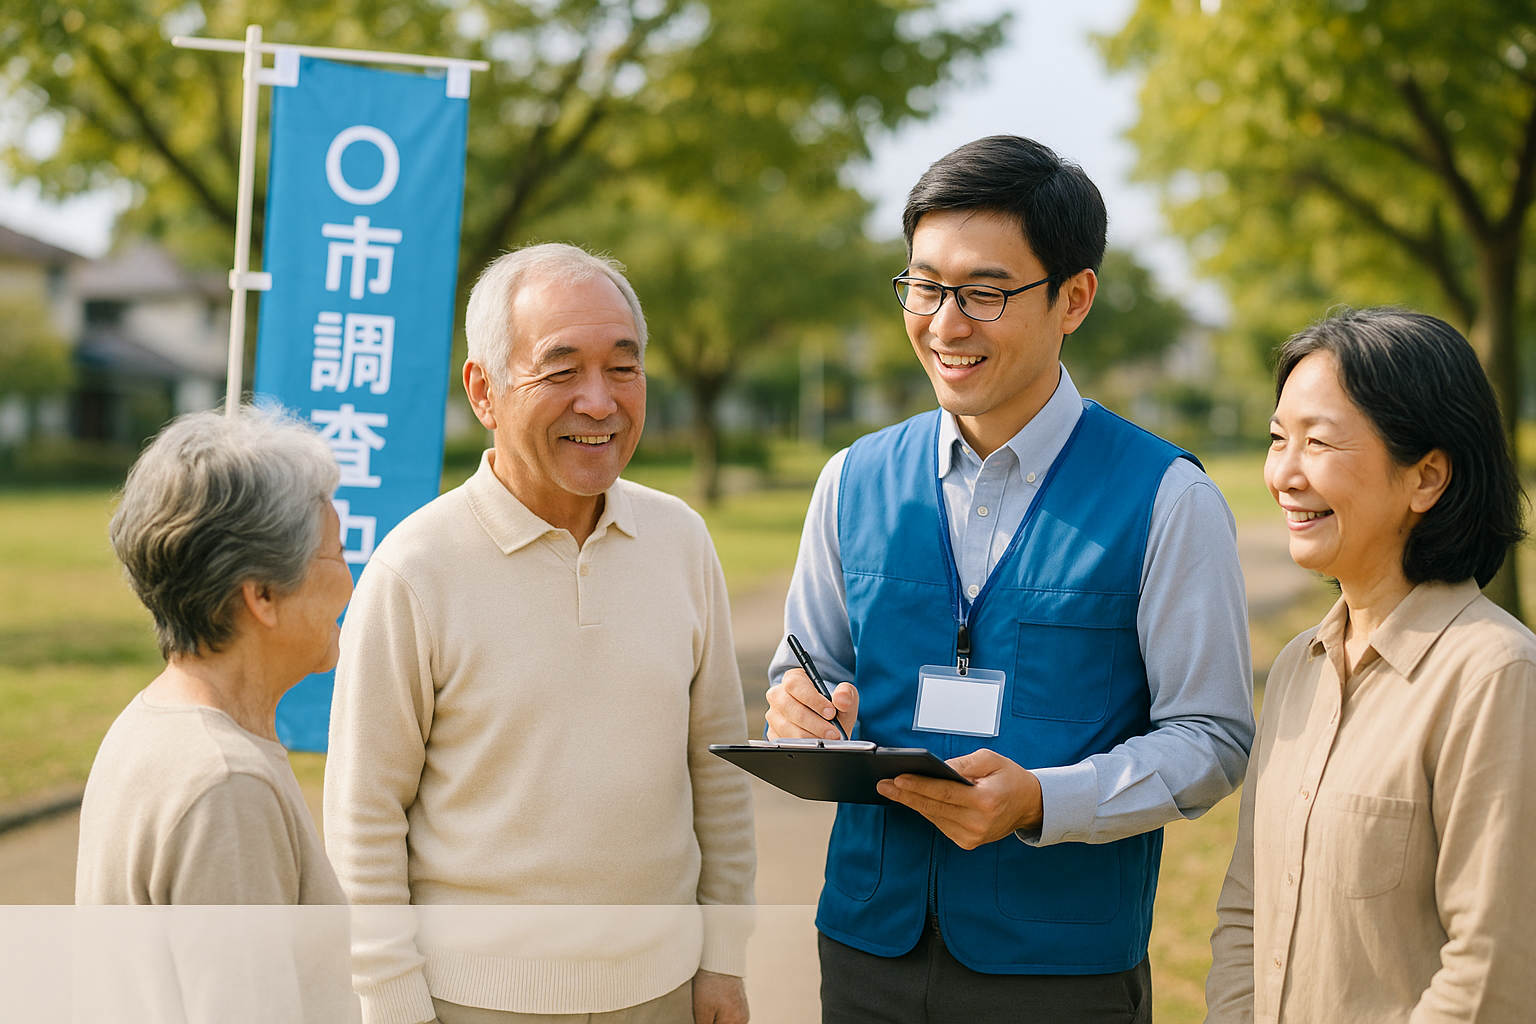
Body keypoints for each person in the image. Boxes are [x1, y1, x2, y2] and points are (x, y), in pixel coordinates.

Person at [765, 135, 1256, 1023]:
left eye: (986, 292)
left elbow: (1212, 736)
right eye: (924, 285)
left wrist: (1046, 799)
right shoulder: (850, 479)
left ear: (1075, 298)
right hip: (868, 947)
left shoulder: (1168, 498)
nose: (946, 323)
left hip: (1061, 970)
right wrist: (802, 703)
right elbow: (806, 664)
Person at [324, 243, 756, 1024]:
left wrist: (723, 960)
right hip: (471, 1004)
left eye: (623, 367)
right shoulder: (414, 569)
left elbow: (718, 770)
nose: (599, 402)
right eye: (561, 370)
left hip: (664, 993)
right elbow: (364, 815)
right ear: (484, 390)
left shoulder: (682, 541)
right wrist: (391, 1002)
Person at [1204, 308, 1536, 1023]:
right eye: (1276, 439)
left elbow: (1494, 970)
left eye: (1318, 442)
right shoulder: (1299, 665)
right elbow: (1246, 910)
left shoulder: (1495, 676)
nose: (1284, 474)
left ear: (1427, 478)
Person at [74, 405, 359, 1023]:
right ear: (260, 595)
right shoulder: (227, 784)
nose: (350, 584)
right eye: (335, 555)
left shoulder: (150, 724)